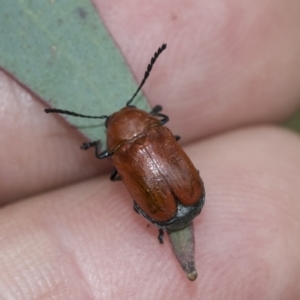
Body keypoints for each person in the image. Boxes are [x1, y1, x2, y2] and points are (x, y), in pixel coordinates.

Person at [0, 1, 300, 298]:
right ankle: (160, 225)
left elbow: (110, 161)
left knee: (127, 190)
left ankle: (159, 225)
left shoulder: (118, 151)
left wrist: (95, 145)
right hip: (186, 197)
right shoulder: (157, 128)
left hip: (174, 204)